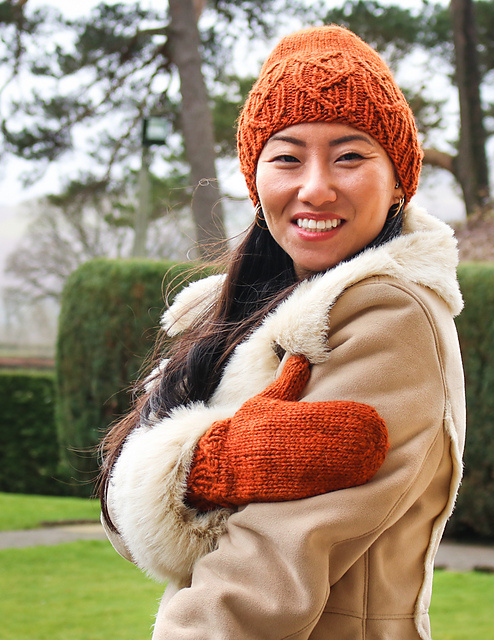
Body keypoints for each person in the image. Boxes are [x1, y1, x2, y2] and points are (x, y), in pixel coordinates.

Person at [98, 25, 465, 640]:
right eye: (287, 157)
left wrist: (191, 472)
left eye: (350, 156)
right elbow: (128, 531)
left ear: (400, 178)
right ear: (256, 180)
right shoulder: (236, 314)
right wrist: (195, 465)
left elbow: (265, 575)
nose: (315, 187)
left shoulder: (388, 313)